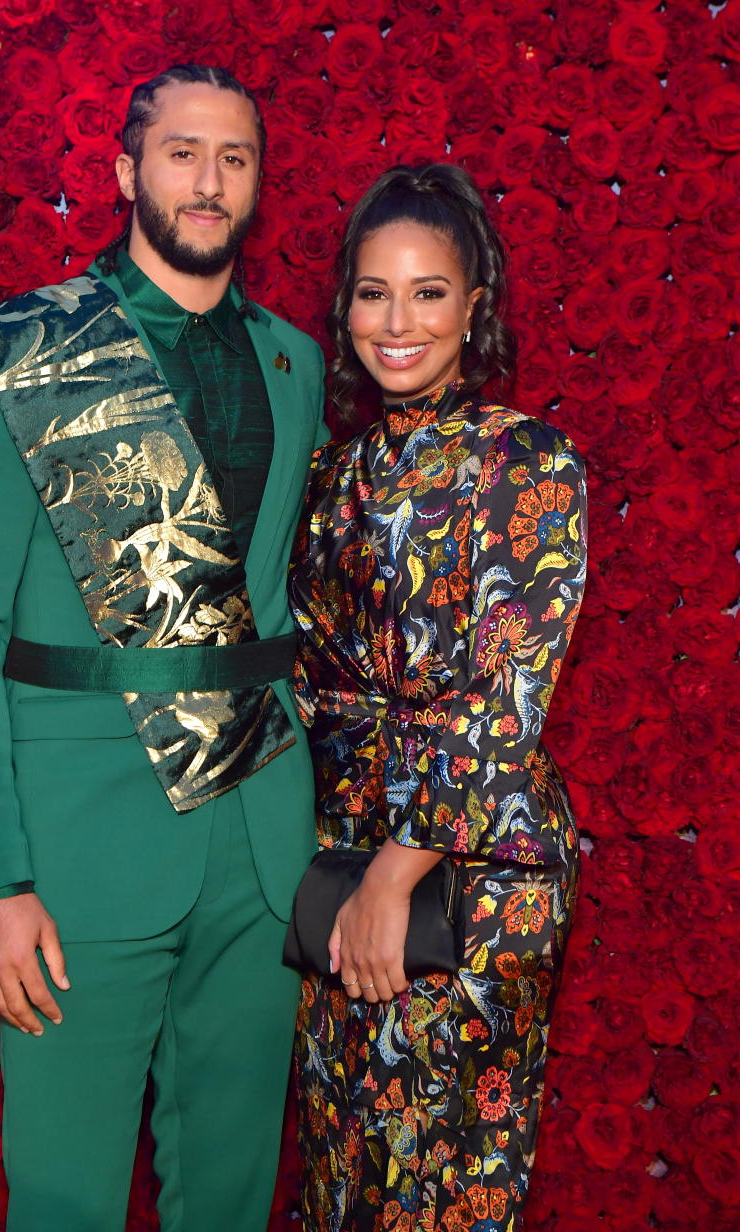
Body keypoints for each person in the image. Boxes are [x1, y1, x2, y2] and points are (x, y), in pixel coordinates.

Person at [0, 64, 327, 1232]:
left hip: (261, 831)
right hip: (79, 840)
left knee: (235, 1191)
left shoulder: (297, 365)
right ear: (126, 173)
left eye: (234, 159)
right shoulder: (25, 350)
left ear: (256, 187)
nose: (209, 181)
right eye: (183, 152)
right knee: (64, 1198)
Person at [288, 164, 587, 1231]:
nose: (397, 320)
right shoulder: (333, 476)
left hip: (474, 873)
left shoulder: (527, 460)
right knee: (345, 1170)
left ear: (474, 305)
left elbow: (504, 694)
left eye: (427, 291)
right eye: (374, 291)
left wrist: (391, 876)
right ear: (346, 307)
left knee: (447, 1181)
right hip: (338, 866)